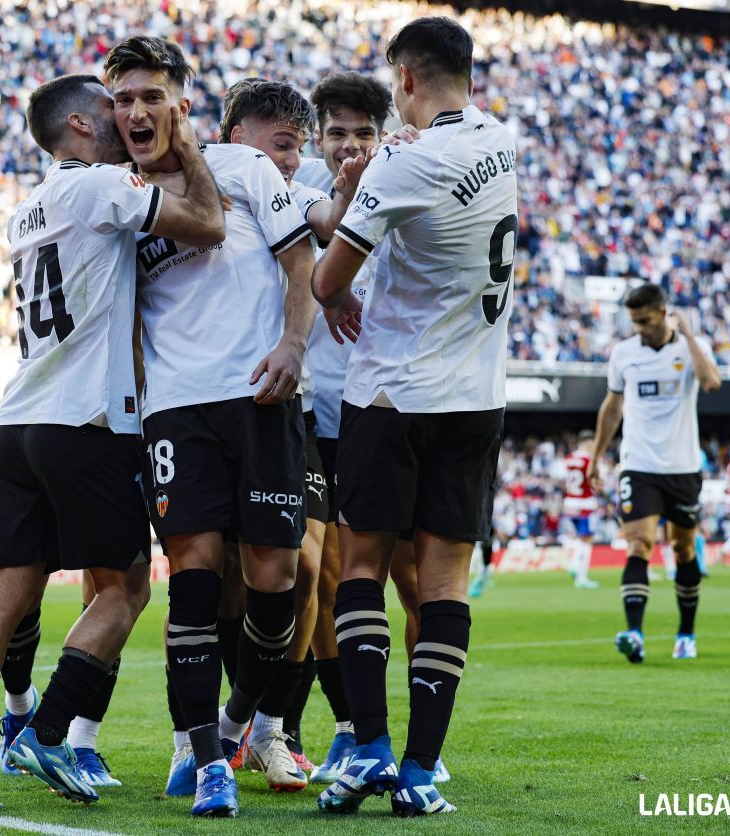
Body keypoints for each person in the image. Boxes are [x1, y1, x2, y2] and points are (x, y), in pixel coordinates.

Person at [0, 72, 225, 812]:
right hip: (84, 420)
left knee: (5, 592)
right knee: (126, 586)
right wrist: (185, 141)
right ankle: (50, 729)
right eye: (110, 106)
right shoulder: (96, 189)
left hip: (19, 418)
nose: (125, 115)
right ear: (79, 128)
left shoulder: (24, 208)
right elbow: (207, 223)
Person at [105, 36, 316, 818]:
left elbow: (301, 264)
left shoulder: (246, 168)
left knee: (275, 580)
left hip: (260, 394)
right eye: (123, 98)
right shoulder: (119, 197)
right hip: (176, 408)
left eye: (150, 95)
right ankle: (206, 757)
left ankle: (236, 724)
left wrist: (294, 342)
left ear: (182, 103)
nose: (136, 110)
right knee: (191, 581)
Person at [312, 17, 515, 816]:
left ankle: (367, 750)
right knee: (443, 584)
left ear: (402, 77)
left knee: (361, 569)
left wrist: (368, 179)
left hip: (393, 392)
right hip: (476, 397)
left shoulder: (401, 165)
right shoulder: (504, 140)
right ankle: (423, 773)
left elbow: (330, 284)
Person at [293, 70, 458, 786]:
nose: (351, 146)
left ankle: (424, 736)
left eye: (365, 132)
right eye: (337, 134)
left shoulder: (409, 169)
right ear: (316, 139)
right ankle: (350, 728)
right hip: (315, 411)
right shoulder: (298, 183)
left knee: (414, 580)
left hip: (394, 404)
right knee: (319, 580)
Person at [217, 77, 368, 785]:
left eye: (355, 132)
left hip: (294, 403)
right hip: (206, 402)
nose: (327, 148)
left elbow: (329, 222)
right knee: (214, 579)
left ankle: (271, 728)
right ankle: (205, 737)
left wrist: (331, 283)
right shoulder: (217, 176)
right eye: (325, 133)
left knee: (309, 570)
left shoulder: (302, 178)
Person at [588, 284, 721, 664]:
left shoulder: (693, 349)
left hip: (682, 467)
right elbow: (612, 409)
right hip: (638, 464)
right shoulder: (624, 354)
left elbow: (711, 382)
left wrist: (691, 335)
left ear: (663, 313)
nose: (640, 329)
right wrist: (596, 457)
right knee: (639, 544)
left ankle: (686, 634)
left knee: (682, 549)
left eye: (645, 321)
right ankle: (635, 633)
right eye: (634, 322)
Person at [563, 431, 599, 589]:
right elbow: (594, 483)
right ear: (589, 442)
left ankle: (573, 564)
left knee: (579, 537)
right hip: (585, 503)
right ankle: (581, 577)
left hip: (570, 502)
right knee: (587, 539)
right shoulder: (589, 460)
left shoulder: (570, 458)